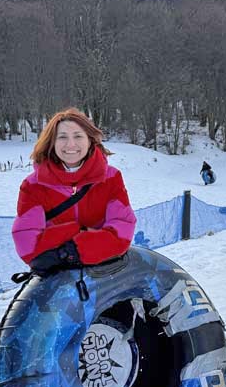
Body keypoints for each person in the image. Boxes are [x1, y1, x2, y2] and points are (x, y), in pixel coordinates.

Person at [12, 108, 136, 278]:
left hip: (104, 277)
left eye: (78, 136)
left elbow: (121, 233)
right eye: (62, 137)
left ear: (90, 140)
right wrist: (79, 231)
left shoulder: (111, 178)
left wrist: (69, 250)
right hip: (56, 281)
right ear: (52, 142)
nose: (70, 145)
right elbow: (28, 245)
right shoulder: (33, 186)